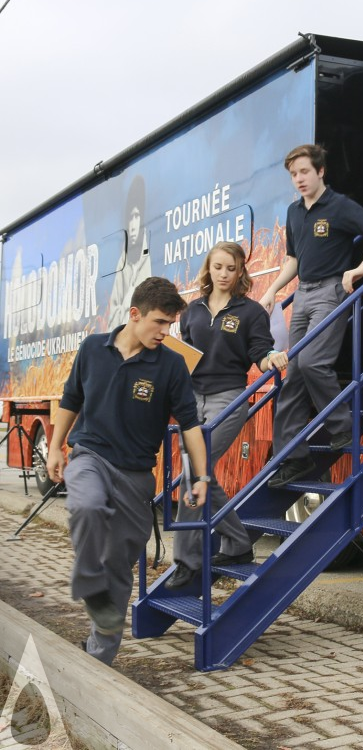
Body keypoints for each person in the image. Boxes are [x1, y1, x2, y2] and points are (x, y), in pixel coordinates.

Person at [46, 277, 210, 667]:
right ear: (134, 314)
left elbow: (190, 425)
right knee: (85, 506)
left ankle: (99, 658)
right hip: (90, 455)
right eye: (159, 322)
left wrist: (200, 476)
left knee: (120, 567)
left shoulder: (170, 364)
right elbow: (72, 398)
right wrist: (55, 446)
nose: (165, 332)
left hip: (136, 474)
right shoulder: (93, 348)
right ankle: (88, 578)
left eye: (170, 324)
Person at [166, 242, 287, 589]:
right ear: (209, 269)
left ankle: (186, 563)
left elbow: (260, 351)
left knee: (194, 471)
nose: (223, 274)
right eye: (217, 267)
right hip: (193, 398)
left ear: (239, 272)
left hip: (229, 399)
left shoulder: (250, 312)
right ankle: (237, 542)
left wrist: (272, 359)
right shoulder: (192, 311)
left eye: (230, 268)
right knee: (200, 475)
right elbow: (185, 357)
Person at [261, 144, 363, 487]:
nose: (298, 179)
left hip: (331, 290)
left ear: (320, 172)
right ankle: (294, 458)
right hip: (303, 294)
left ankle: (343, 427)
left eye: (304, 172)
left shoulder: (339, 206)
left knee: (313, 361)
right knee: (293, 373)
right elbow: (294, 260)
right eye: (293, 174)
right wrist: (272, 290)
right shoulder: (294, 212)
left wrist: (359, 269)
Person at [108, 174, 153, 329]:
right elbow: (112, 316)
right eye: (130, 218)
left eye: (137, 216)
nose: (133, 225)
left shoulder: (149, 259)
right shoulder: (123, 262)